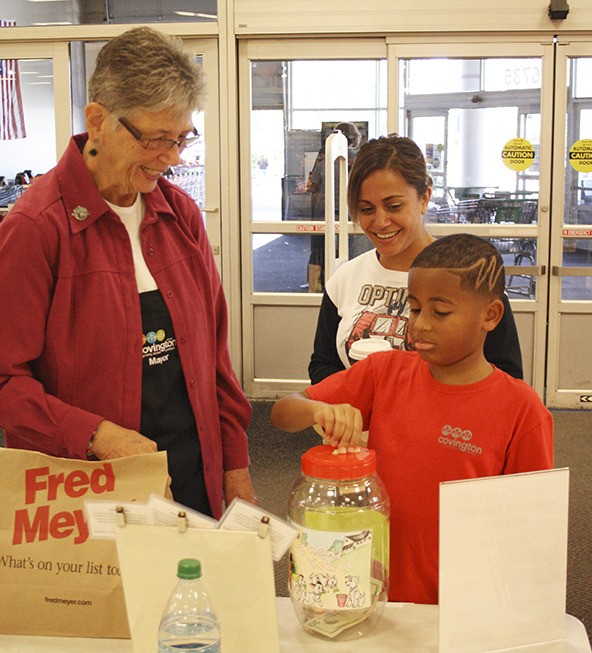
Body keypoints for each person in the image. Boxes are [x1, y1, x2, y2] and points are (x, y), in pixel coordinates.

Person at [0, 27, 255, 519]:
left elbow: (215, 356)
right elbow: (6, 381)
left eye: (181, 139)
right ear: (98, 121)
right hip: (89, 491)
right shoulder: (37, 229)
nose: (173, 158)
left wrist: (235, 463)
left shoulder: (180, 216)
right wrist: (97, 437)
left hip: (189, 471)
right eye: (157, 139)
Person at [272, 233, 554, 604]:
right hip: (372, 590)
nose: (420, 324)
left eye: (440, 313)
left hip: (464, 600)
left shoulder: (522, 410)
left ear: (490, 315)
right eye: (415, 308)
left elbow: (532, 531)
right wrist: (318, 409)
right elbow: (282, 412)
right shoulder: (385, 372)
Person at [308, 134, 523, 383]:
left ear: (424, 198)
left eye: (394, 206)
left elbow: (508, 380)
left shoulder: (471, 277)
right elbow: (323, 365)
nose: (380, 222)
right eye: (366, 209)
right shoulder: (345, 278)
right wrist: (344, 405)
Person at [306, 121, 363, 292]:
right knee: (347, 252)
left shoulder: (323, 159)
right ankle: (346, 290)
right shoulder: (355, 162)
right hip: (347, 212)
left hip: (323, 212)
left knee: (318, 252)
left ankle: (312, 291)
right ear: (353, 138)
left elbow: (313, 186)